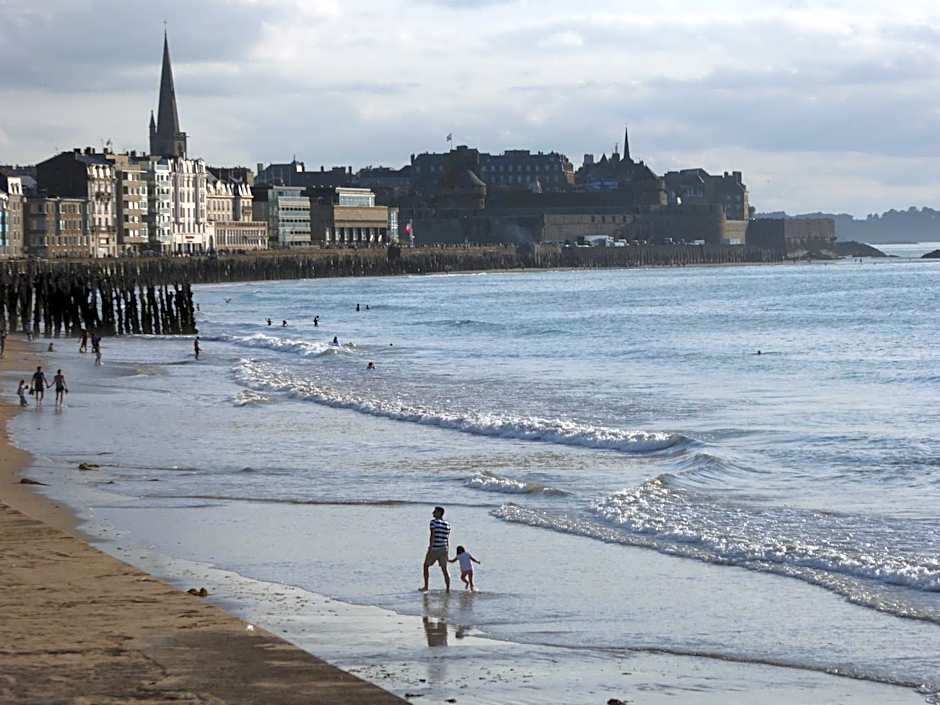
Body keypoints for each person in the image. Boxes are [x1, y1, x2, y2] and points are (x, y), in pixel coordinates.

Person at [420, 506, 451, 592]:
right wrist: (447, 551)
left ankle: (426, 587)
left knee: (425, 566)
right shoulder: (447, 524)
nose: (433, 513)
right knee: (444, 569)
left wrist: (430, 547)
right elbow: (447, 538)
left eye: (435, 511)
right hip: (444, 548)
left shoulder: (433, 522)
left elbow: (432, 535)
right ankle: (448, 588)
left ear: (439, 513)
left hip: (435, 548)